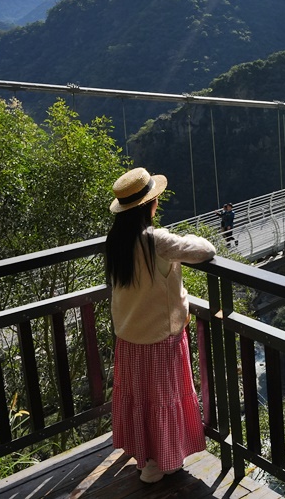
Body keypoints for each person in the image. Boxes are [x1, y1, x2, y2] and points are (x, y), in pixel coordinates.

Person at [105, 167, 216, 483]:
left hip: (129, 339)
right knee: (164, 399)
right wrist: (189, 236)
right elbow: (205, 250)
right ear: (148, 206)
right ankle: (164, 462)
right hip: (160, 340)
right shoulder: (156, 240)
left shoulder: (116, 241)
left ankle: (147, 460)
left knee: (141, 400)